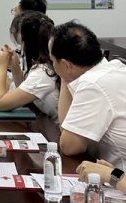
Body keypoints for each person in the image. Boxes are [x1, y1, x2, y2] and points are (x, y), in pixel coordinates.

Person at [50, 21, 126, 168]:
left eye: (52, 60)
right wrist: (65, 77)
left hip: (118, 175)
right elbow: (67, 128)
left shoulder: (92, 84)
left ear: (66, 65)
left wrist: (64, 76)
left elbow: (69, 146)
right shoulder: (114, 67)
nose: (53, 65)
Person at [0, 11, 59, 120]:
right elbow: (24, 92)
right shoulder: (44, 65)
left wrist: (1, 68)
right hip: (45, 122)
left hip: (54, 127)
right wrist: (14, 67)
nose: (20, 50)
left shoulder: (43, 73)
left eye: (21, 46)